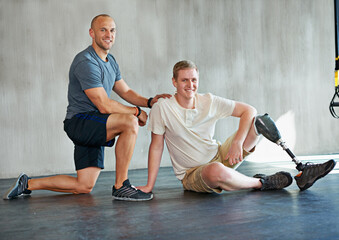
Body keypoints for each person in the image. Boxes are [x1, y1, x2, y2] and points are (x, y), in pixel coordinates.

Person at [3, 14, 170, 201]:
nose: (109, 34)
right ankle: (121, 185)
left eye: (112, 30)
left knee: (83, 185)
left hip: (95, 122)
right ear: (92, 33)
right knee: (129, 122)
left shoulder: (111, 61)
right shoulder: (86, 61)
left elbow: (126, 91)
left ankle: (27, 183)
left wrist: (149, 102)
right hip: (80, 122)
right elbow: (104, 105)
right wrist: (137, 112)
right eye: (103, 30)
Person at [138, 60, 336, 195]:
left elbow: (248, 110)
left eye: (194, 80)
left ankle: (300, 169)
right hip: (193, 174)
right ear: (174, 82)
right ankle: (263, 182)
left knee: (258, 120)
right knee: (216, 170)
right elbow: (156, 146)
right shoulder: (162, 108)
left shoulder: (208, 101)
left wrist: (237, 143)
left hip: (221, 155)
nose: (190, 85)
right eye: (184, 80)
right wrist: (149, 185)